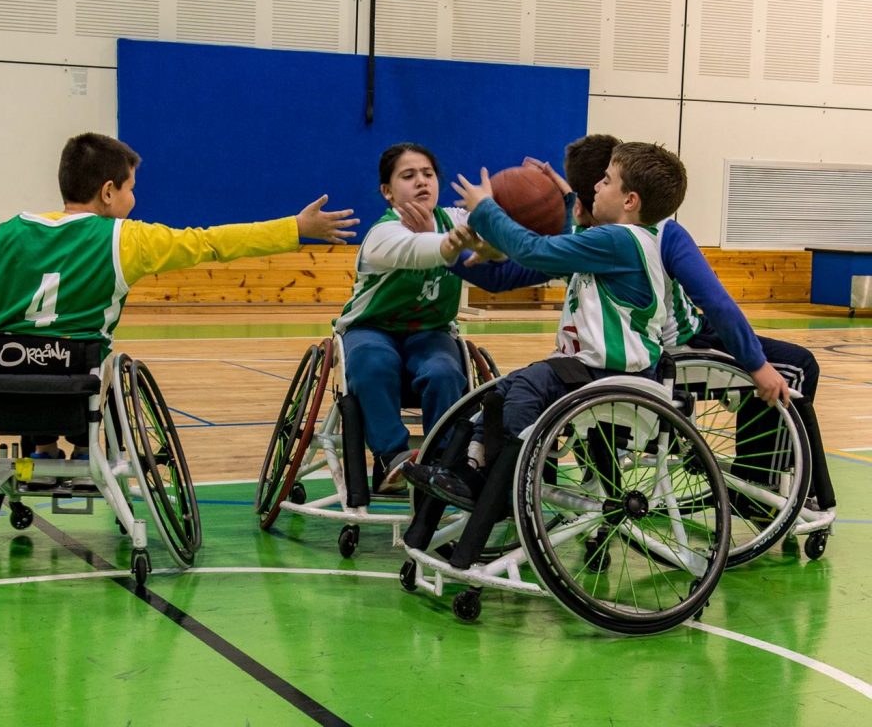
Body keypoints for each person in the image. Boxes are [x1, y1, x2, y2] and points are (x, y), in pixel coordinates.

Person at [433, 134, 834, 511]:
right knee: (798, 364)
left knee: (792, 367)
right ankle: (764, 486)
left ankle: (761, 489)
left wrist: (755, 362)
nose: (586, 194)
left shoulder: (653, 235)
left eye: (598, 183)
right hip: (647, 360)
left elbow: (716, 302)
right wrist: (451, 254)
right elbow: (512, 275)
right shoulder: (598, 234)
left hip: (679, 346)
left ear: (624, 197)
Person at [0, 131, 358, 460]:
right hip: (79, 381)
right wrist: (294, 227)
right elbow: (211, 243)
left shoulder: (4, 235)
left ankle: (41, 446)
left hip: (6, 381)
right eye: (131, 188)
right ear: (108, 192)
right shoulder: (126, 239)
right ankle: (86, 448)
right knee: (93, 366)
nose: (134, 198)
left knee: (31, 356)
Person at [401, 141, 685, 569]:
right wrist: (559, 204)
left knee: (528, 385)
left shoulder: (622, 241)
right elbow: (535, 254)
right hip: (588, 373)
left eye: (604, 182)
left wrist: (485, 211)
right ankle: (465, 469)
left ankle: (498, 486)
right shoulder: (607, 240)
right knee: (501, 391)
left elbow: (536, 250)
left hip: (612, 378)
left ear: (630, 201)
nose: (593, 188)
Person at [333, 142, 469, 496]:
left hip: (430, 331)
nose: (422, 182)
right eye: (408, 176)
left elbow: (502, 235)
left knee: (444, 371)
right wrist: (444, 241)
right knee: (372, 363)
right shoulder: (382, 234)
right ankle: (392, 457)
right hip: (372, 328)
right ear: (388, 191)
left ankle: (442, 463)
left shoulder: (456, 220)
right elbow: (418, 251)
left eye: (428, 174)